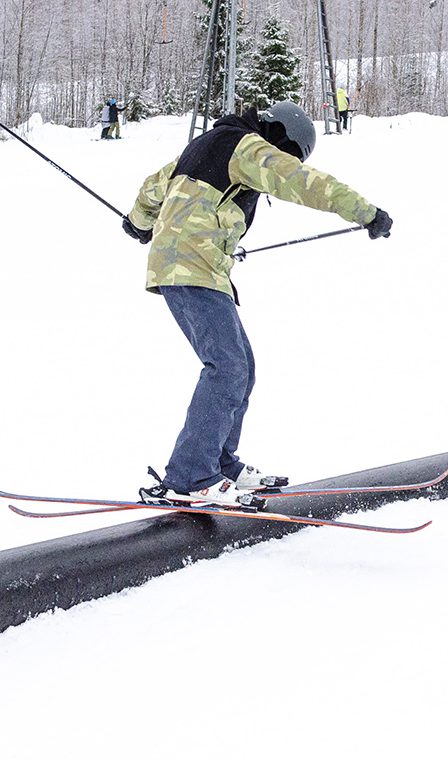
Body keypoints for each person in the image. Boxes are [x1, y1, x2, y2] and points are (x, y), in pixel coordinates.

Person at [120, 102, 394, 508]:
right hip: (190, 268)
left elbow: (153, 187)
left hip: (197, 266)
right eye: (289, 152)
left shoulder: (205, 144)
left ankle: (220, 461)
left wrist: (140, 222)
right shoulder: (246, 147)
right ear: (280, 136)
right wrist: (366, 213)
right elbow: (303, 182)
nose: (287, 160)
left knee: (240, 366)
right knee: (226, 366)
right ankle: (191, 475)